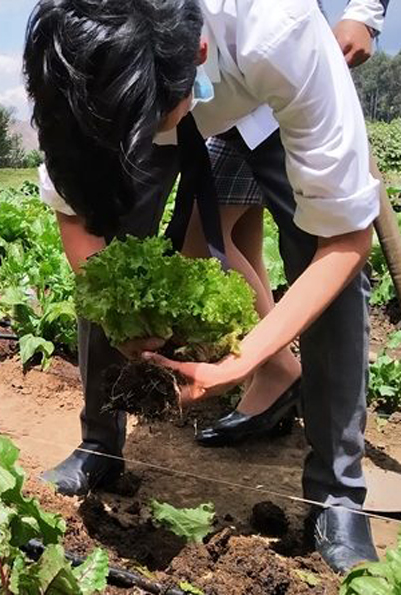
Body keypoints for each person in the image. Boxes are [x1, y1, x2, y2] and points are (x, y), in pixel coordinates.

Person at [24, 0, 385, 573]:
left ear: (197, 55)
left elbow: (344, 241)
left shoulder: (279, 30)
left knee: (321, 253)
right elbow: (76, 218)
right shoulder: (80, 59)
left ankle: (335, 496)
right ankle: (99, 446)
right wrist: (124, 318)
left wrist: (246, 356)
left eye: (148, 122)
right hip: (164, 87)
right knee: (114, 246)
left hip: (260, 96)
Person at [187, 0, 390, 447]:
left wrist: (365, 12)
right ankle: (275, 372)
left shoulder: (278, 29)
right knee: (230, 233)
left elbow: (345, 236)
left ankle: (332, 459)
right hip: (228, 92)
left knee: (309, 246)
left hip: (281, 81)